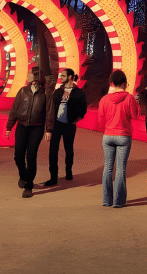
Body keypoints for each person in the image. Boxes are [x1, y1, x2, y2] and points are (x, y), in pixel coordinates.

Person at [6, 68, 52, 198]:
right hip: (22, 126)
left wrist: (49, 129)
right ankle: (23, 175)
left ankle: (29, 185)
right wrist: (9, 126)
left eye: (37, 76)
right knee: (18, 155)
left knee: (31, 156)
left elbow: (49, 112)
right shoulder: (22, 91)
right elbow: (14, 109)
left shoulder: (46, 93)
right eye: (33, 76)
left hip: (37, 128)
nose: (35, 79)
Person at [98, 69, 140, 208]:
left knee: (108, 168)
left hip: (108, 136)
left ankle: (106, 200)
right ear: (124, 83)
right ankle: (119, 201)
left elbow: (100, 119)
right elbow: (134, 116)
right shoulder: (129, 98)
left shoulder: (104, 99)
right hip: (123, 136)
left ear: (111, 83)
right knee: (121, 169)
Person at [44, 68, 87, 186]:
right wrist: (49, 129)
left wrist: (75, 120)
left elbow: (83, 110)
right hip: (57, 125)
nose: (61, 78)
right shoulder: (58, 92)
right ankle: (53, 177)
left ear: (70, 77)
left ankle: (69, 172)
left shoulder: (79, 93)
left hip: (69, 125)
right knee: (53, 151)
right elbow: (51, 110)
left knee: (69, 150)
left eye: (63, 76)